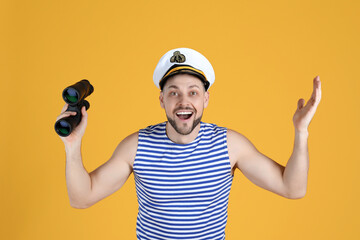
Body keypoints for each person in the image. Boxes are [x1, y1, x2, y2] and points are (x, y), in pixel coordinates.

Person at [56, 48, 322, 240]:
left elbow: (293, 188)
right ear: (162, 100)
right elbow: (82, 198)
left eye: (193, 92)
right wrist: (72, 145)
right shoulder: (136, 146)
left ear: (205, 99)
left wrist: (301, 132)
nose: (184, 101)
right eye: (174, 93)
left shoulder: (230, 146)